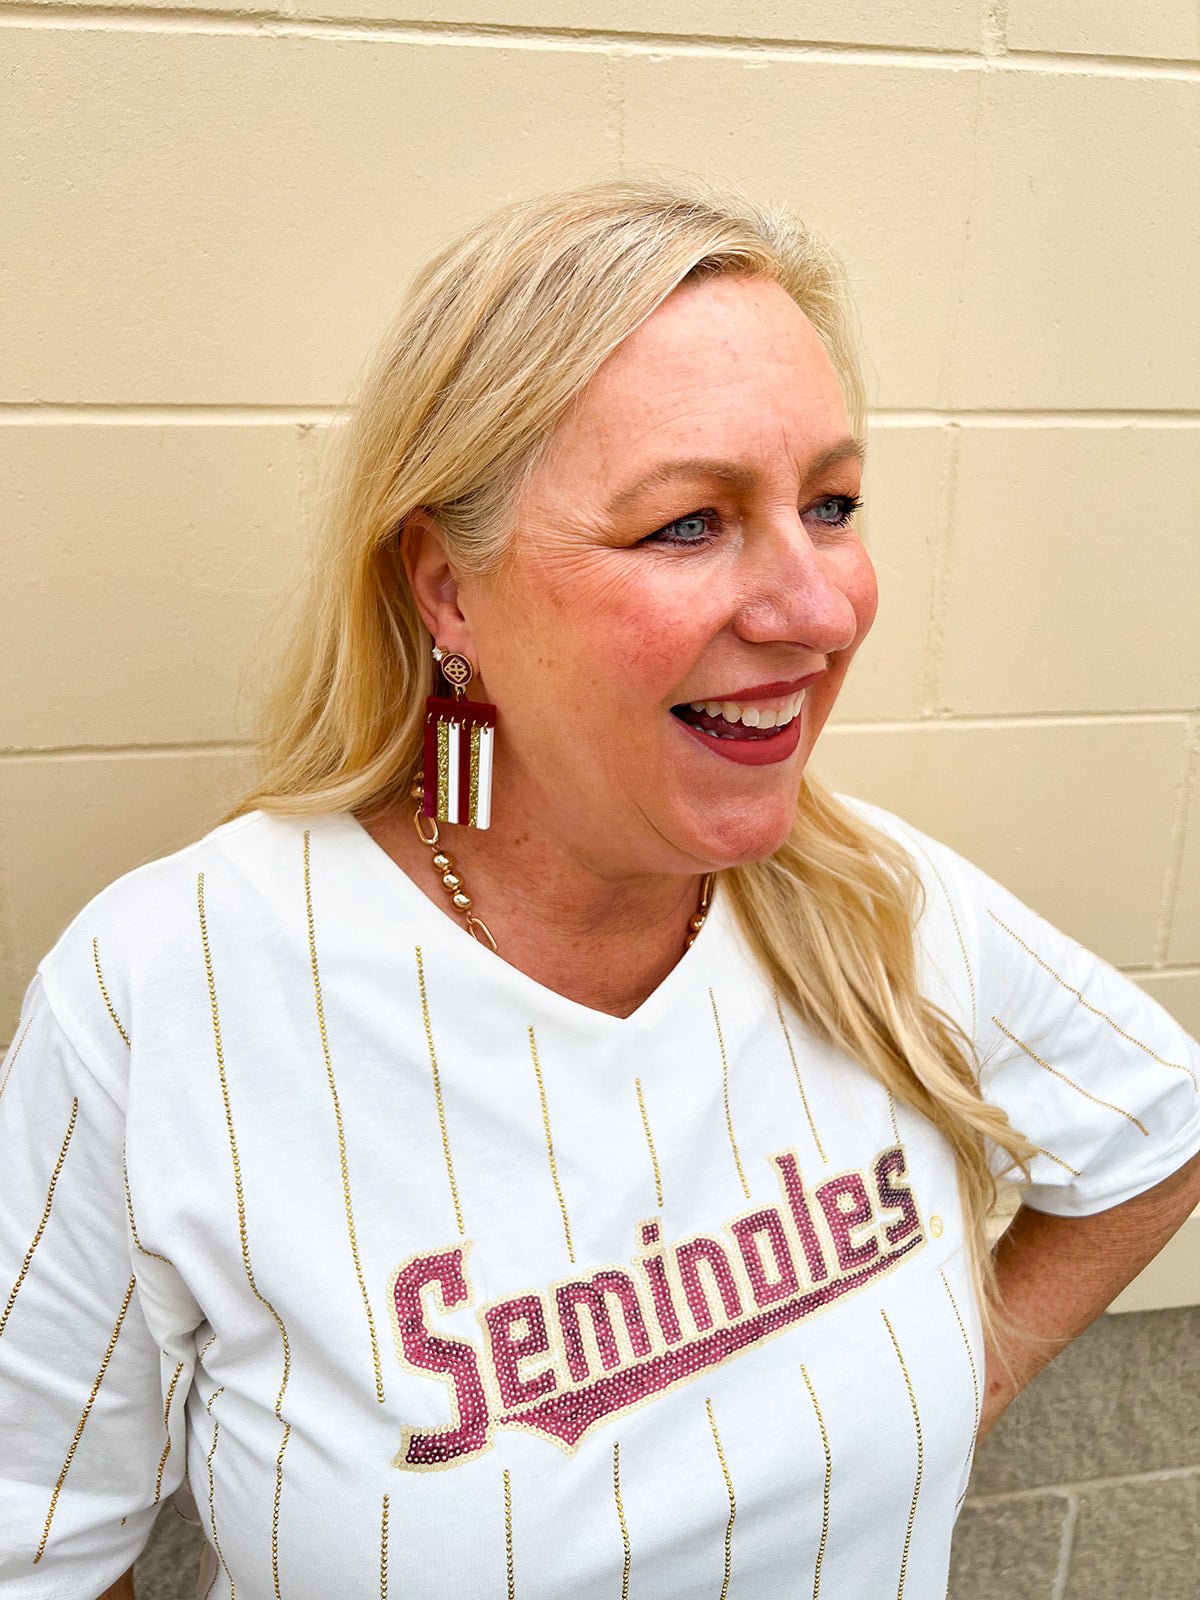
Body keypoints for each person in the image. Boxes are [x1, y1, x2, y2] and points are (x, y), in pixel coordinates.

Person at [2, 173, 1198, 1600]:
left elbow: (1156, 1130)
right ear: (450, 591)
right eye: (688, 523)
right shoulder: (174, 983)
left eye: (832, 503)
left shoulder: (876, 904)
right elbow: (35, 1540)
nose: (819, 610)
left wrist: (946, 1386)